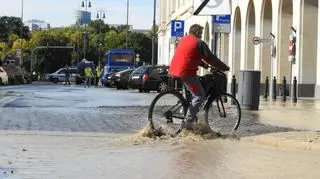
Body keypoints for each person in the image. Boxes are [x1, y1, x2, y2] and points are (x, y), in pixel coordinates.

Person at [169, 24, 230, 130]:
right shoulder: (199, 43)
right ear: (197, 33)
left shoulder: (185, 39)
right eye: (201, 33)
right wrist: (223, 67)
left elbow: (192, 56)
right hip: (186, 72)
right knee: (200, 96)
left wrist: (205, 65)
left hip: (175, 69)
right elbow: (211, 58)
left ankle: (186, 109)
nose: (201, 36)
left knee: (195, 89)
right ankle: (187, 123)